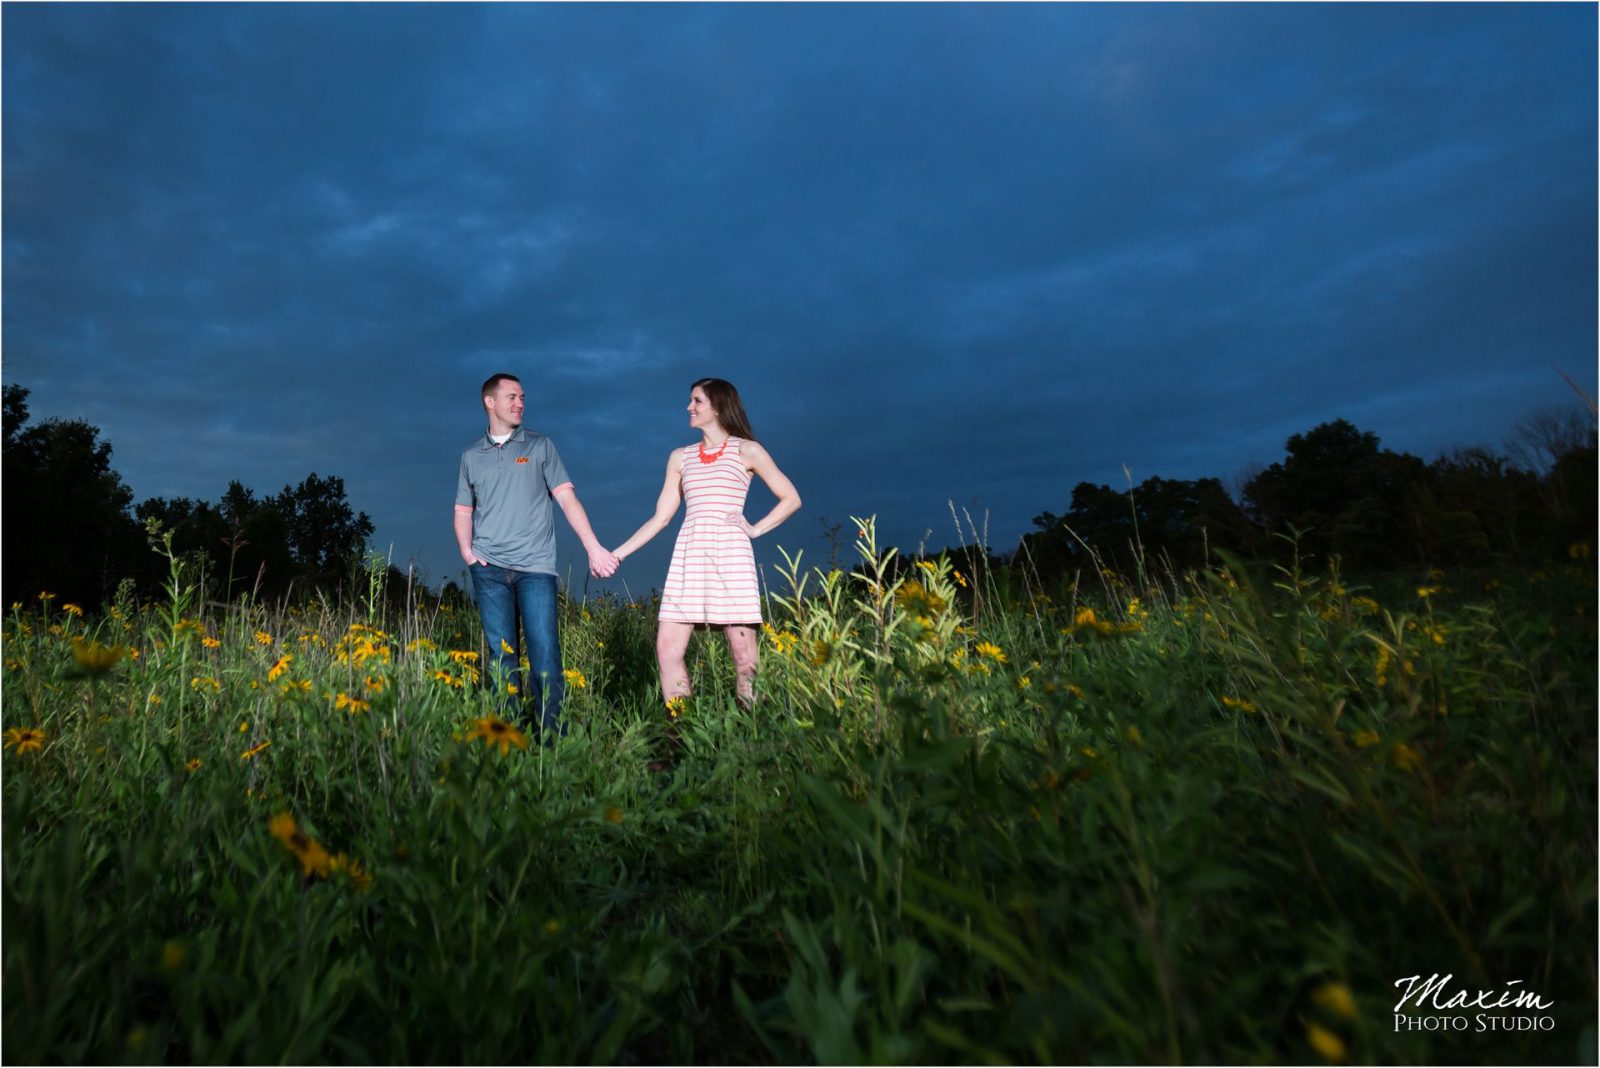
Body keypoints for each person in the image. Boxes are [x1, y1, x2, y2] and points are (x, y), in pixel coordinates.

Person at [612, 378, 801, 711]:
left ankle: (749, 733)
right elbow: (661, 518)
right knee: (667, 650)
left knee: (744, 656)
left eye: (696, 401)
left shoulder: (747, 450)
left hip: (731, 556)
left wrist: (755, 529)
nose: (689, 407)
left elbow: (791, 498)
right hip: (689, 556)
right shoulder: (680, 458)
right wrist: (617, 554)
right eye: (690, 401)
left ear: (717, 406)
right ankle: (680, 732)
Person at [454, 373, 618, 735]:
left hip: (535, 570)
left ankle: (550, 743)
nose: (520, 403)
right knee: (502, 660)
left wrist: (594, 547)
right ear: (489, 402)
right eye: (512, 397)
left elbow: (566, 498)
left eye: (522, 397)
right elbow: (463, 511)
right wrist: (468, 554)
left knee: (545, 659)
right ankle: (509, 740)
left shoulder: (540, 446)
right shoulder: (470, 457)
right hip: (489, 570)